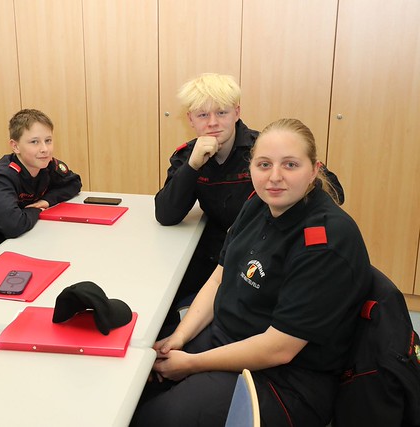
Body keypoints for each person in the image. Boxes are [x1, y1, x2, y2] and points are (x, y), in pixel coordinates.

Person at [132, 119, 371, 427]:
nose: (275, 177)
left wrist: (191, 363)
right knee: (138, 382)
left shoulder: (325, 241)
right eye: (264, 164)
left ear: (314, 170)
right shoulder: (258, 204)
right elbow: (219, 277)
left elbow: (279, 349)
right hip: (228, 338)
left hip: (285, 381)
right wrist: (179, 337)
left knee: (158, 417)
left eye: (290, 165)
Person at [155, 73, 344, 309]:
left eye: (221, 113)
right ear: (190, 119)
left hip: (261, 251)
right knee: (162, 300)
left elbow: (335, 193)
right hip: (212, 253)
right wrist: (192, 166)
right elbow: (166, 215)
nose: (212, 123)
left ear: (236, 112)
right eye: (203, 115)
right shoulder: (187, 155)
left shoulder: (264, 149)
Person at [0, 109, 82, 265]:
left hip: (26, 240)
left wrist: (46, 201)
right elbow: (13, 225)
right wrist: (37, 210)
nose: (44, 149)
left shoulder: (45, 164)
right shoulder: (3, 177)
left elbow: (74, 183)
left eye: (48, 140)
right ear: (15, 146)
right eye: (34, 142)